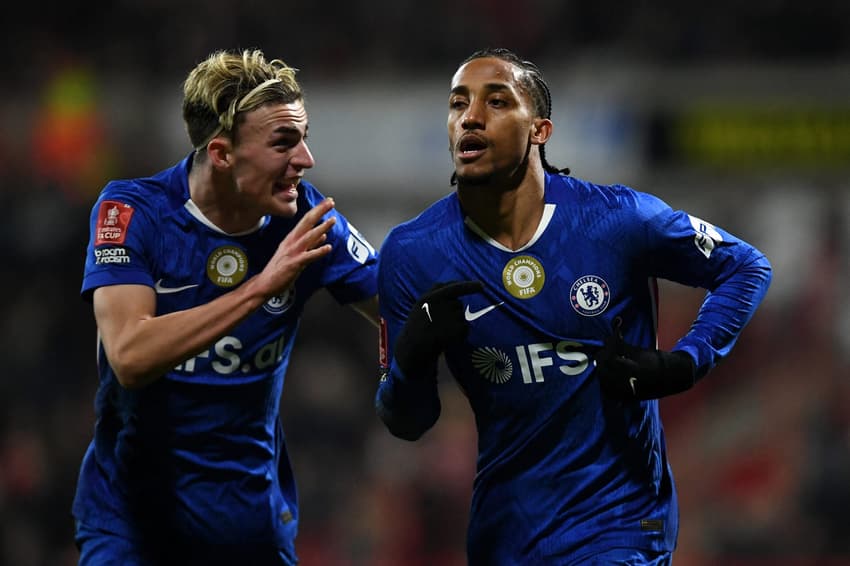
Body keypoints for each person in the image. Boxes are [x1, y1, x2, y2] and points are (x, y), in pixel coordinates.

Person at [375, 47, 772, 565]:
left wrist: (684, 361)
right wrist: (413, 359)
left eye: (496, 101)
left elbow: (746, 266)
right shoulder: (413, 254)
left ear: (540, 130)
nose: (470, 116)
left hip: (622, 522)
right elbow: (405, 421)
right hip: (507, 531)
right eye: (458, 104)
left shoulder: (616, 221)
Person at [72, 48, 379, 566]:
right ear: (221, 153)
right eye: (284, 142)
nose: (306, 159)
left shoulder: (305, 218)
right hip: (131, 524)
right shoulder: (133, 212)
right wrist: (261, 286)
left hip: (249, 526)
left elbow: (402, 309)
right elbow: (129, 355)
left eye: (304, 137)